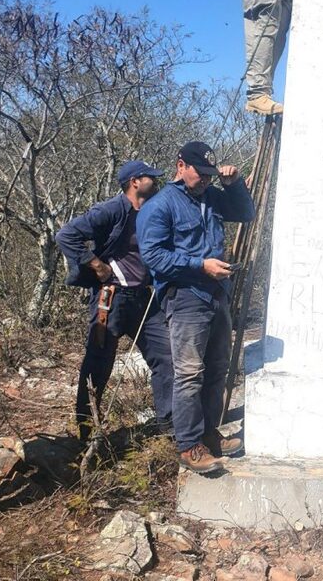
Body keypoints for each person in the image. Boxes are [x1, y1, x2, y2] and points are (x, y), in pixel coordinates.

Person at [137, 142, 255, 474]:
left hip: (217, 292)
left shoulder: (212, 197)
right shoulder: (160, 206)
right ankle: (189, 446)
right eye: (200, 174)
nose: (205, 180)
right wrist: (200, 266)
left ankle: (209, 434)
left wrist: (233, 187)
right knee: (189, 374)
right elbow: (154, 256)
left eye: (209, 175)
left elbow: (245, 214)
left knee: (217, 367)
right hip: (186, 295)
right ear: (180, 166)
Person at [55, 160, 174, 441]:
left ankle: (169, 425)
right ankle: (87, 433)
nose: (155, 182)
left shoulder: (154, 211)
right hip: (112, 297)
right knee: (99, 361)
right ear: (134, 181)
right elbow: (66, 235)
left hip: (145, 298)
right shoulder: (111, 209)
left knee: (166, 355)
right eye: (149, 177)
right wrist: (95, 264)